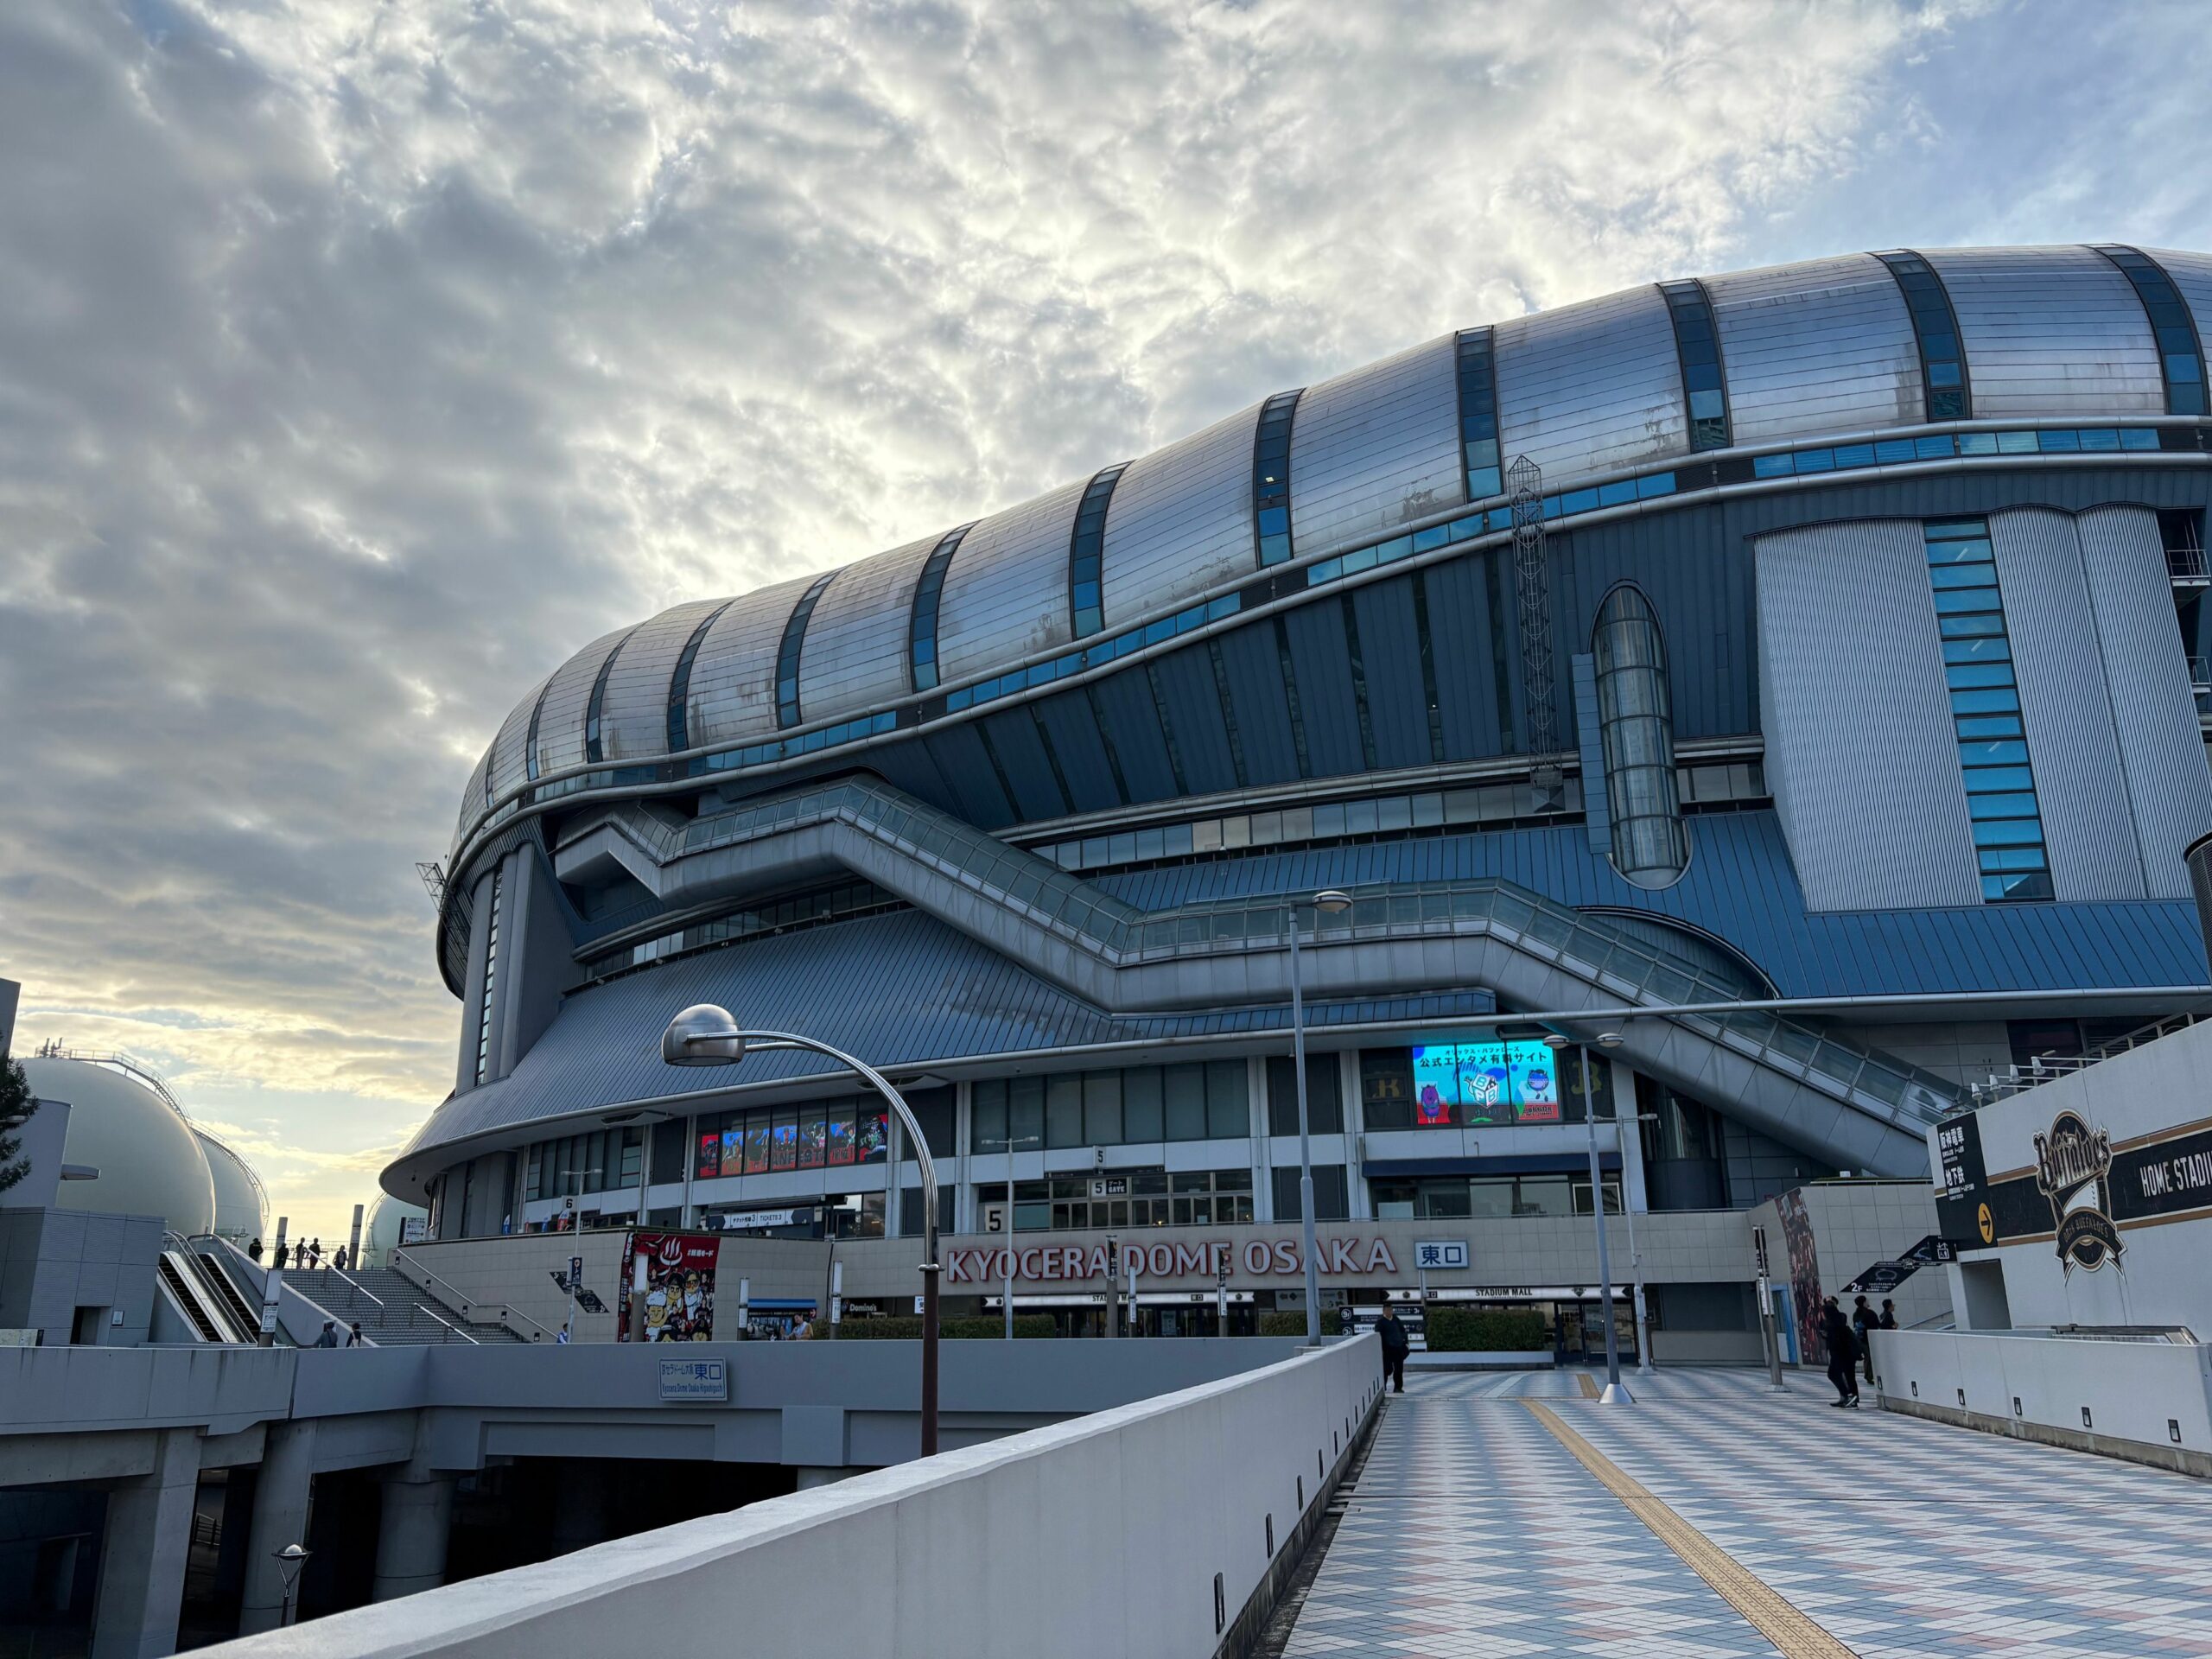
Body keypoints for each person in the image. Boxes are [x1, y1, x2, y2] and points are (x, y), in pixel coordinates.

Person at [1819, 1297, 1859, 1408]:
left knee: (1837, 1374)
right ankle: (1848, 1397)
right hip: (1844, 1352)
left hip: (1842, 1353)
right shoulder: (1837, 1320)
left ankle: (1849, 1396)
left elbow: (1828, 1332)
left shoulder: (1834, 1323)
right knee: (1846, 1375)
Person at [1376, 1305, 1410, 1394]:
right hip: (1387, 1350)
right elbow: (1378, 1335)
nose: (1389, 1312)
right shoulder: (1380, 1322)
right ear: (1383, 1311)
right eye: (1387, 1310)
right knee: (1387, 1369)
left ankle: (1398, 1388)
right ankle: (1383, 1387)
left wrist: (1405, 1342)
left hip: (1398, 1348)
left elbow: (1403, 1331)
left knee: (1399, 1369)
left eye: (1390, 1310)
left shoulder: (1396, 1319)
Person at [1852, 1295, 1881, 1385]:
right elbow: (1877, 1325)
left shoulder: (1855, 1314)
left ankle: (1868, 1375)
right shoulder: (1870, 1313)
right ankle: (1870, 1376)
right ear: (1864, 1302)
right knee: (1870, 1357)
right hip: (1869, 1338)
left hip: (1860, 1339)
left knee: (1867, 1358)